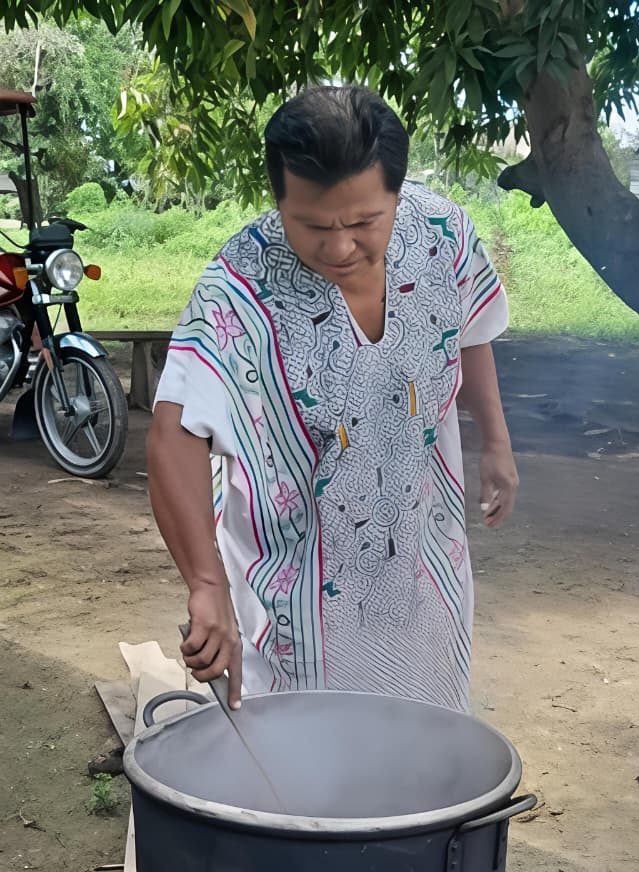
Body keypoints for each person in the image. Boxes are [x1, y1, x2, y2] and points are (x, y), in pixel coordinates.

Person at [148, 84, 518, 712]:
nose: (341, 247)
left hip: (424, 562)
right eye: (313, 226)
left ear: (397, 196)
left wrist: (497, 443)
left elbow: (472, 330)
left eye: (365, 222)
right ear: (278, 201)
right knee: (300, 774)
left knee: (425, 743)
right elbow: (171, 434)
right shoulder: (239, 287)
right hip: (296, 605)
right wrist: (205, 583)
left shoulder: (441, 234)